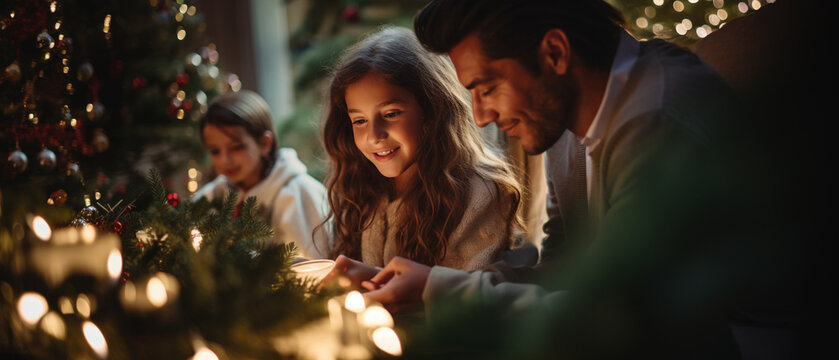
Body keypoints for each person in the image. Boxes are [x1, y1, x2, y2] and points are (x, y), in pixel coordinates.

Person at [353, 0, 789, 357]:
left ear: (555, 53)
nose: (481, 114)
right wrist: (421, 286)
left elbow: (612, 319)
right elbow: (569, 270)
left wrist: (439, 291)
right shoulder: (566, 122)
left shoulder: (658, 122)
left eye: (487, 87)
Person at [318, 26, 523, 285]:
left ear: (433, 110)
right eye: (359, 120)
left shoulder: (480, 195)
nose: (374, 135)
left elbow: (465, 306)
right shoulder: (364, 192)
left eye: (391, 114)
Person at [193, 90, 330, 259]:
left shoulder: (298, 194)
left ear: (265, 143)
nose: (224, 160)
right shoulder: (213, 196)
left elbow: (315, 266)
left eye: (236, 147)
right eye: (215, 151)